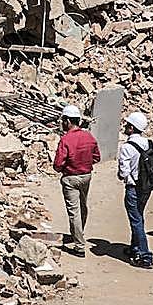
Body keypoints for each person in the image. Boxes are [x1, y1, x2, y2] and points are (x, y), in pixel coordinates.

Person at [53, 104, 100, 256]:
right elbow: (96, 157)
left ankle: (79, 246)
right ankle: (80, 232)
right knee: (83, 206)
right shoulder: (89, 136)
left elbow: (58, 164)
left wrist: (67, 167)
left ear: (67, 121)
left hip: (71, 178)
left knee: (74, 212)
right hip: (86, 176)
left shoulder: (65, 140)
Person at [117, 111, 153, 269]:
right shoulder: (149, 143)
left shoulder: (126, 147)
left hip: (133, 188)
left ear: (132, 128)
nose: (125, 127)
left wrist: (124, 177)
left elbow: (124, 172)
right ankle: (135, 247)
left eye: (127, 125)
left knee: (136, 220)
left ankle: (145, 255)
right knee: (139, 216)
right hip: (146, 187)